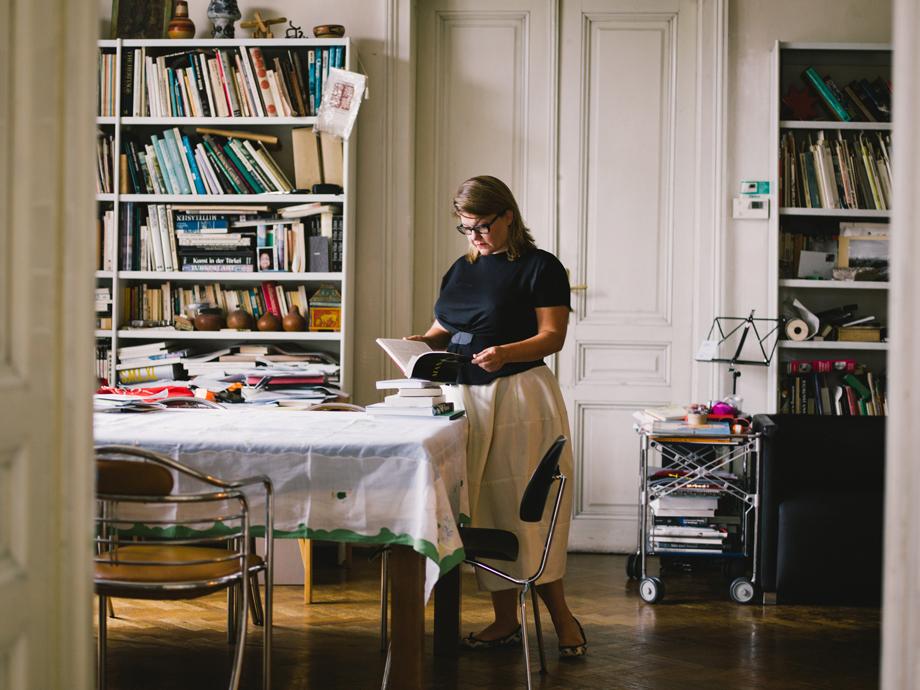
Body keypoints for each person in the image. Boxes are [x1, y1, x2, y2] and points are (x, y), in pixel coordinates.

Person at [406, 175, 586, 657]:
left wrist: (506, 351)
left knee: (522, 508)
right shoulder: (461, 268)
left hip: (518, 396)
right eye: (466, 228)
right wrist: (419, 344)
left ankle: (562, 618)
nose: (475, 236)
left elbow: (552, 336)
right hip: (461, 396)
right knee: (480, 508)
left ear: (508, 215)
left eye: (483, 226)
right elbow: (443, 329)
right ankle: (504, 619)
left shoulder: (541, 267)